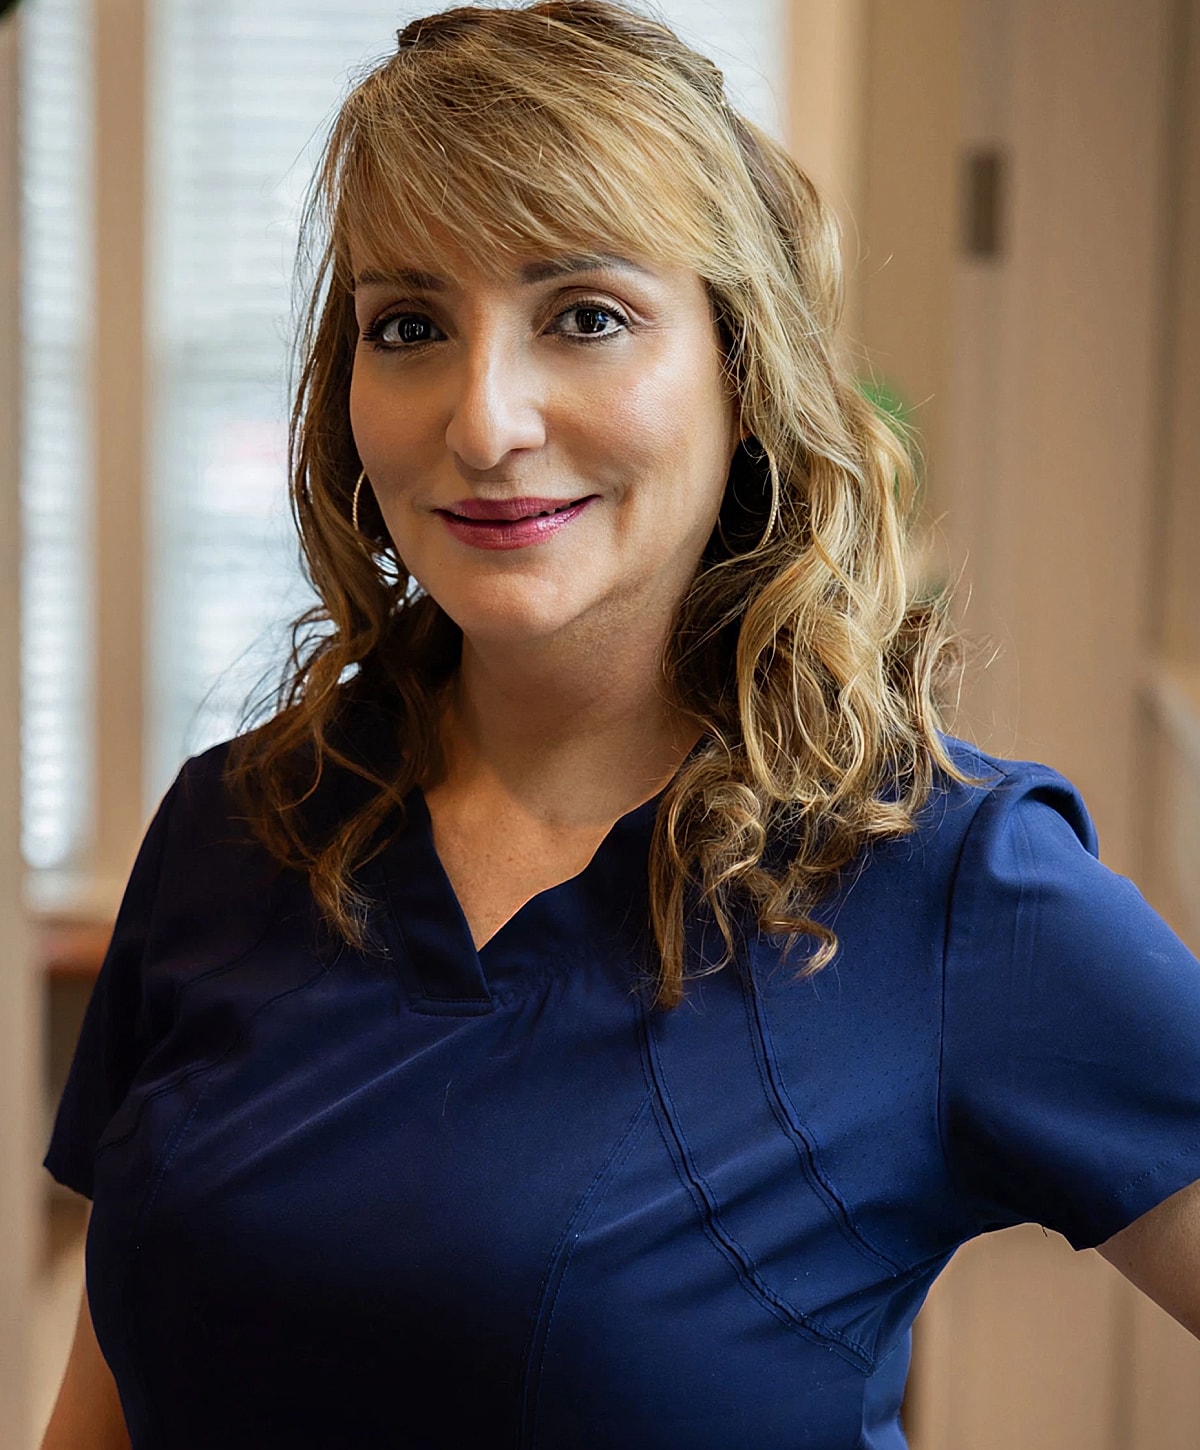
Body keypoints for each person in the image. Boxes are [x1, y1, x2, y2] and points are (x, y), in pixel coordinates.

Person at [41, 3, 1200, 1447]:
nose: (485, 419)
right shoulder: (235, 824)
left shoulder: (946, 882)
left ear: (740, 365)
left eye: (583, 315)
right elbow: (105, 1402)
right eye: (408, 325)